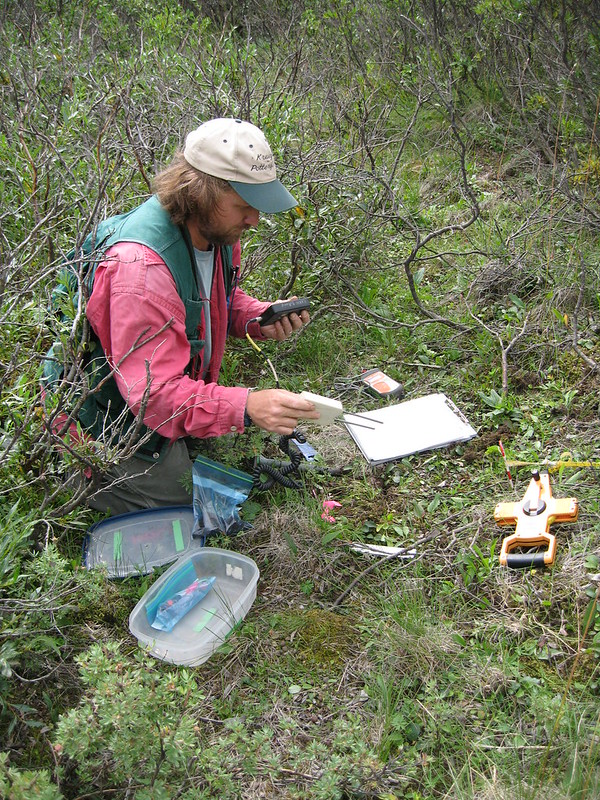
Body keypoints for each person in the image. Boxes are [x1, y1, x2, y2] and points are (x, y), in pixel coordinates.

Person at [61, 117, 320, 515]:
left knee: (214, 473)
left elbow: (212, 300)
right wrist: (246, 406)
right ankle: (73, 469)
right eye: (244, 205)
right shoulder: (141, 271)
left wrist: (257, 318)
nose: (253, 219)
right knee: (191, 499)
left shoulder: (218, 235)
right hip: (99, 413)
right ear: (202, 192)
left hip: (145, 390)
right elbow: (155, 395)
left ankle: (178, 454)